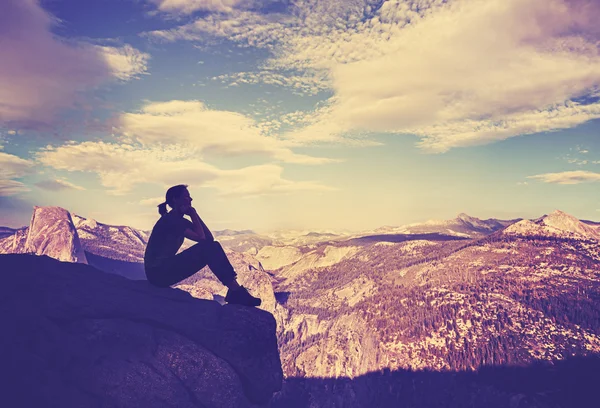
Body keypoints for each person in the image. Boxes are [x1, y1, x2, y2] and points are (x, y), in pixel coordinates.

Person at [143, 184, 261, 307]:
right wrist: (193, 213)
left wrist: (195, 214)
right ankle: (236, 291)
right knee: (209, 248)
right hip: (158, 273)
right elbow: (201, 238)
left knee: (212, 246)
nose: (190, 199)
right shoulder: (171, 220)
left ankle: (235, 291)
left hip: (161, 271)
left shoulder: (179, 220)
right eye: (186, 197)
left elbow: (209, 238)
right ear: (175, 199)